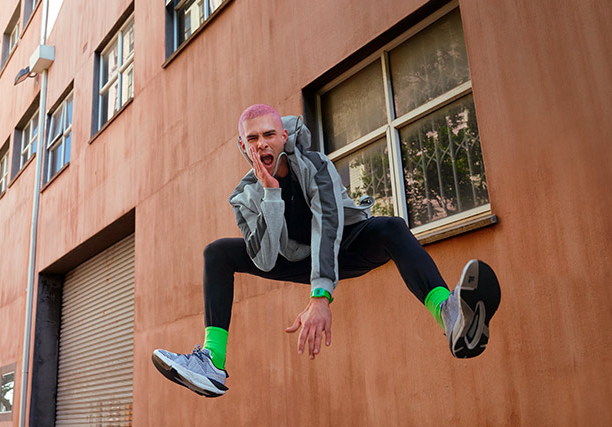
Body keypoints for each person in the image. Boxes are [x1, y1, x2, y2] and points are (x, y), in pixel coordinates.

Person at [152, 104, 501, 397]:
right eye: (253, 139)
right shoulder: (243, 197)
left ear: (283, 136)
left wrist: (320, 297)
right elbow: (266, 260)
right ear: (243, 145)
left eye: (269, 135)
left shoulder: (315, 165)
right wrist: (270, 194)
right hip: (292, 260)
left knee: (392, 227)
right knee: (217, 252)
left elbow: (328, 223)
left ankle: (448, 314)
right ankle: (212, 361)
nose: (262, 144)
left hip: (345, 245)